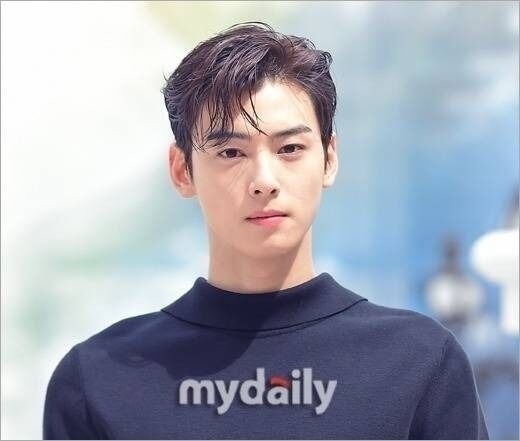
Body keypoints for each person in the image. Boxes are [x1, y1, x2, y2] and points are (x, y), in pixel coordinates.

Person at [43, 21, 489, 440]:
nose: (264, 180)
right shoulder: (97, 381)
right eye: (231, 152)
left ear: (329, 159)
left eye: (290, 148)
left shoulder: (421, 363)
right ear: (182, 170)